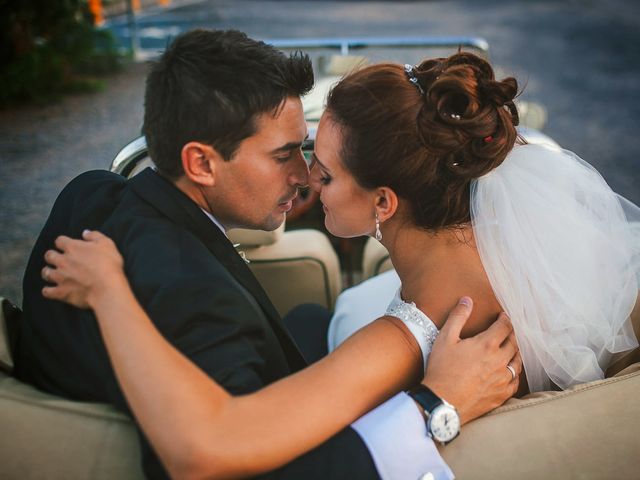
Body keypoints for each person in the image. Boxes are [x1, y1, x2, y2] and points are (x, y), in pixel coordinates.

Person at [15, 29, 520, 480]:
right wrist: (433, 404)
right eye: (286, 155)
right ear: (201, 163)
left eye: (314, 160)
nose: (304, 179)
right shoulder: (199, 305)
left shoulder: (90, 193)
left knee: (309, 318)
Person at [311, 53, 640, 392]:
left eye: (325, 175)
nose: (308, 180)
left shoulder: (400, 341)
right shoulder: (533, 257)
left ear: (383, 201)